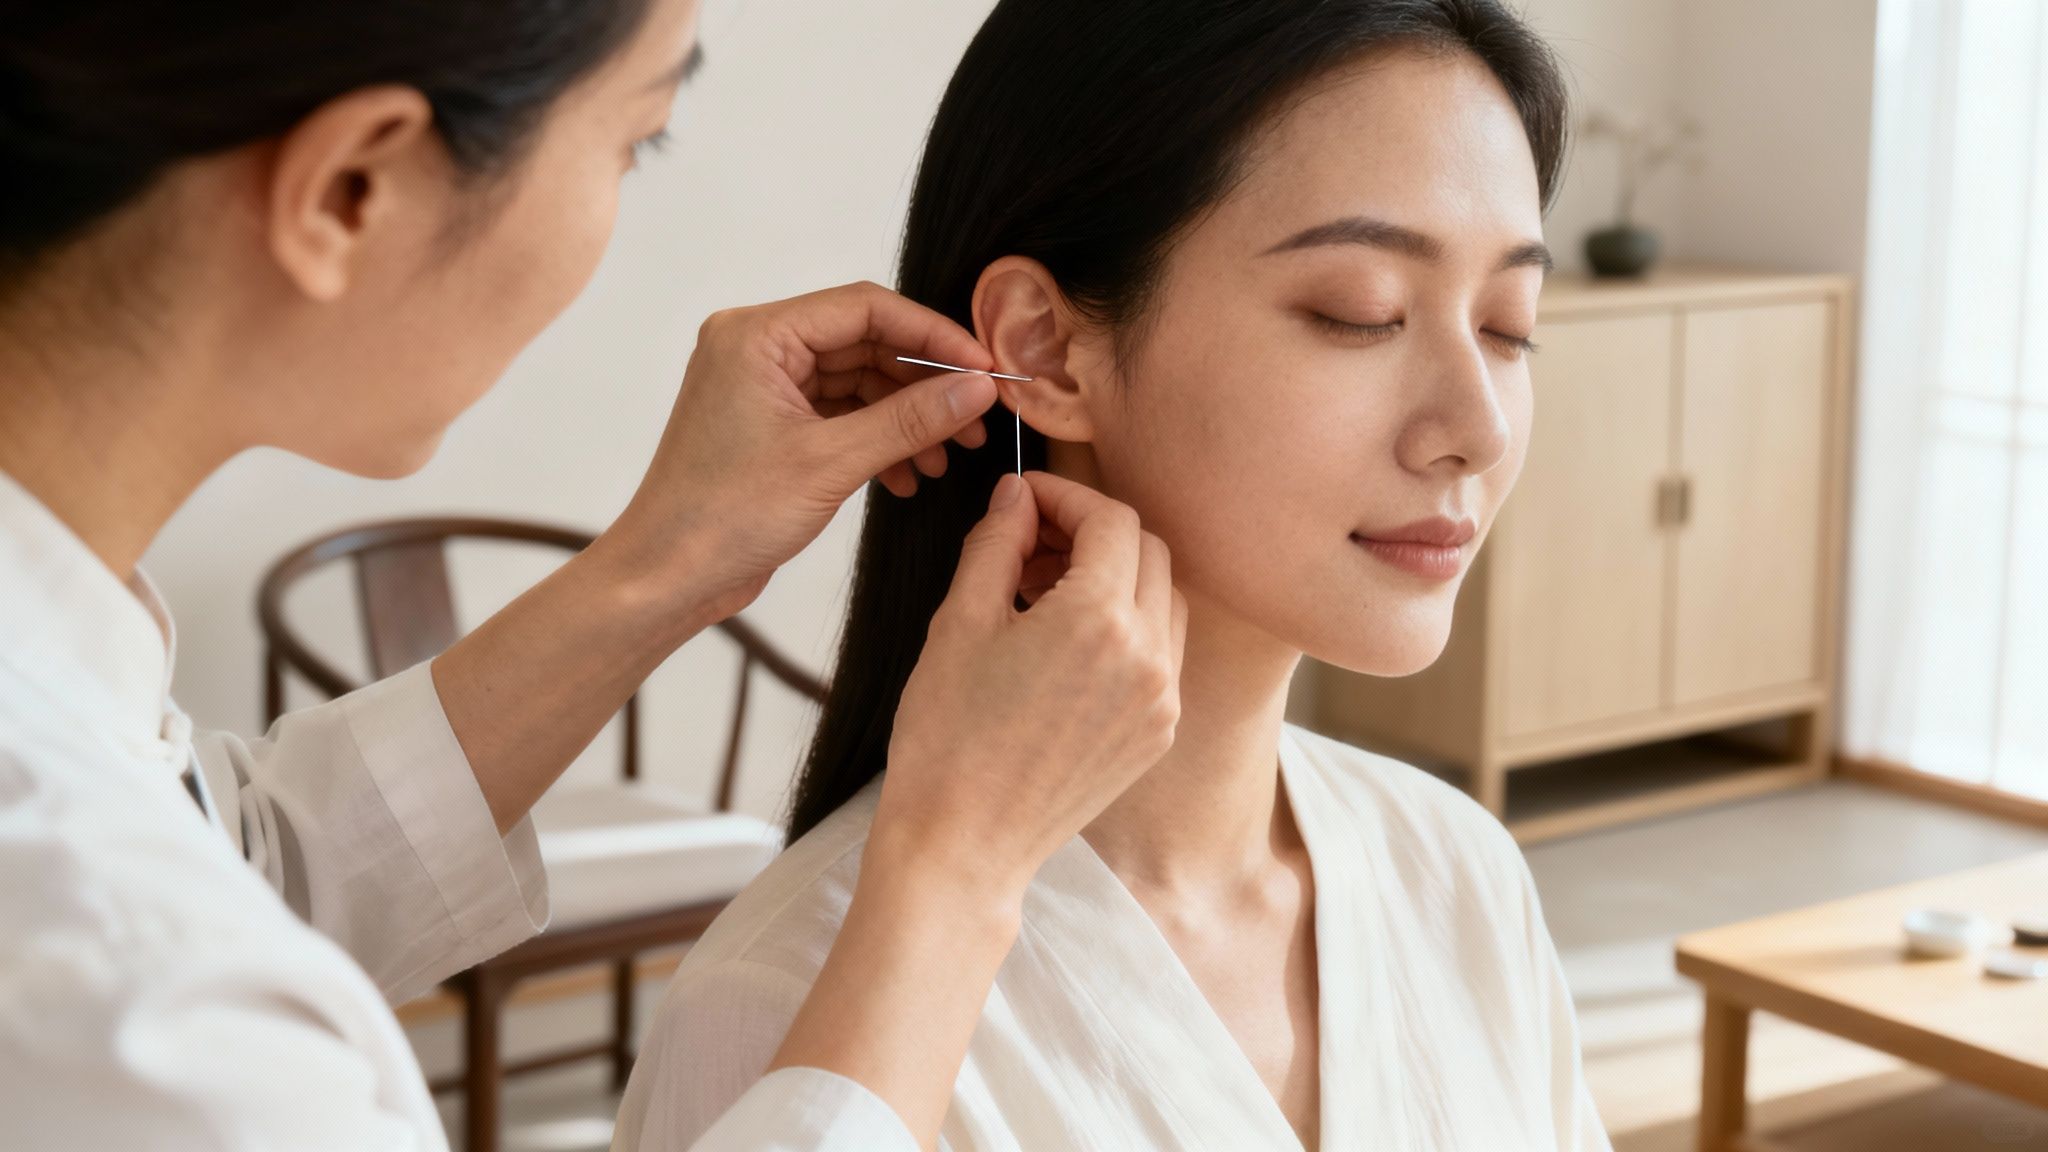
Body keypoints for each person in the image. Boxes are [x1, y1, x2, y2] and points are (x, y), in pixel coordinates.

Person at [0, 0, 1186, 1149]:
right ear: (352, 189)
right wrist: (953, 867)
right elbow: (157, 942)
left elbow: (243, 867)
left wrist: (670, 563)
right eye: (637, 137)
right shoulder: (121, 988)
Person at [616, 1, 1612, 1149]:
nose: (1477, 429)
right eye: (1361, 314)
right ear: (1044, 348)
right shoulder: (788, 1010)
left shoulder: (1456, 872)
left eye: (1507, 326)